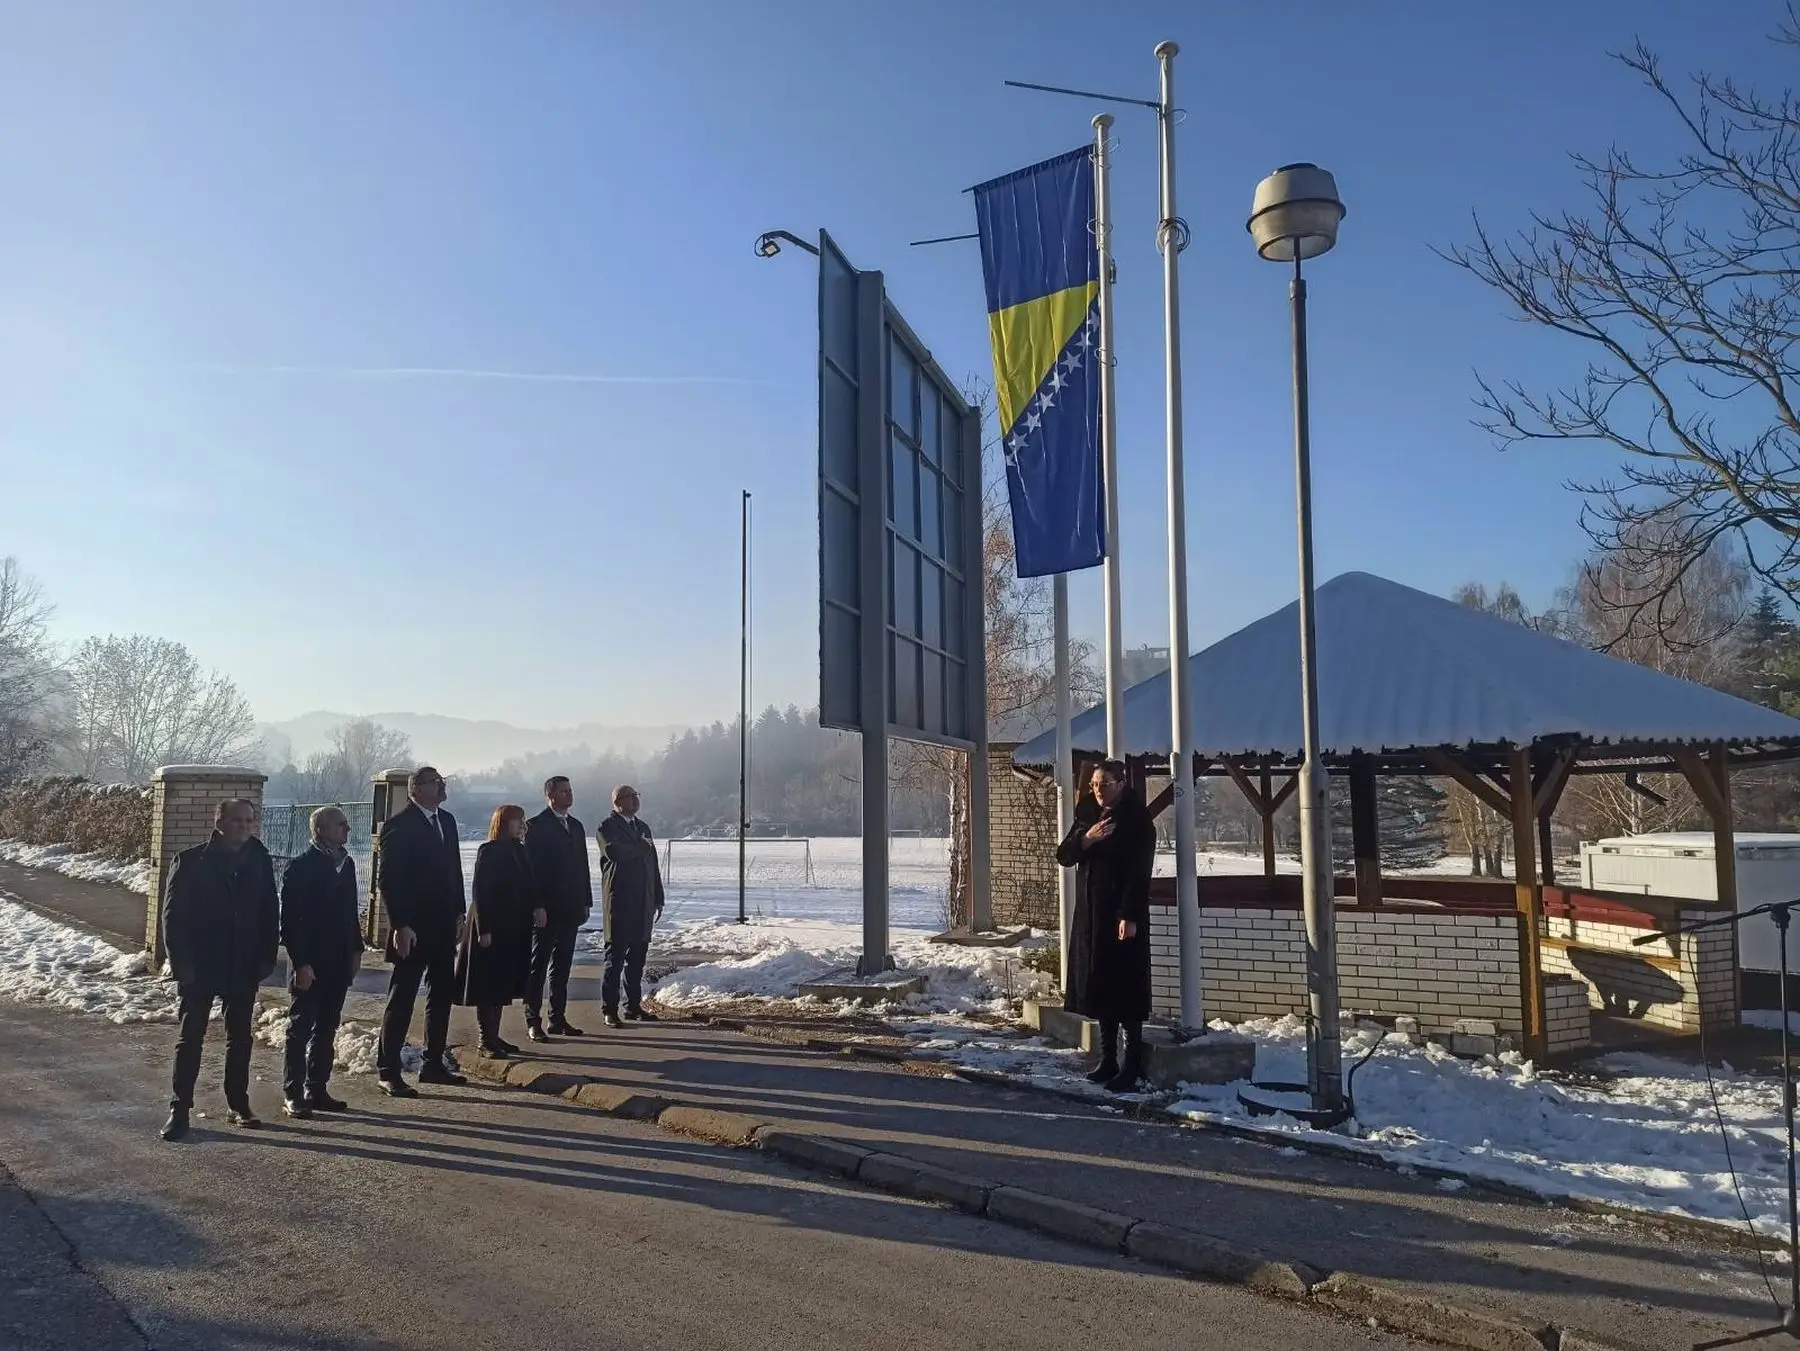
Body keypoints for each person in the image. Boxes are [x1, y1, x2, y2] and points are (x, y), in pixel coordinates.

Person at [161, 798, 280, 1140]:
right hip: (200, 965)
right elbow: (173, 919)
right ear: (220, 822)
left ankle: (238, 1104)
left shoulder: (259, 859)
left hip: (242, 965)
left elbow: (269, 911)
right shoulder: (191, 861)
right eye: (237, 820)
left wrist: (265, 959)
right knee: (190, 1038)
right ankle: (179, 1108)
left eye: (248, 820)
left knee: (240, 1038)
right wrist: (181, 964)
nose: (243, 826)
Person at [1055, 759, 1156, 1093]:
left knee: (1126, 990)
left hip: (1121, 917)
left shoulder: (1137, 821)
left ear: (1121, 784)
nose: (1098, 791)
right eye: (1095, 784)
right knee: (1100, 988)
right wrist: (1087, 839)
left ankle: (1133, 1064)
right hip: (1091, 916)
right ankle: (1108, 1059)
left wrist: (1130, 915)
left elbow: (1139, 873)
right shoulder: (1087, 814)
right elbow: (1064, 855)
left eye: (1105, 784)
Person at [375, 766, 468, 1097]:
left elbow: (454, 870)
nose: (442, 787)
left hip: (444, 926)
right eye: (434, 783)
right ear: (416, 789)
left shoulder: (447, 821)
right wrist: (400, 923)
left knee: (441, 995)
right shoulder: (400, 825)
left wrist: (460, 912)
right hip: (413, 928)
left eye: (442, 782)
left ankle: (433, 1063)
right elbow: (389, 879)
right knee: (402, 998)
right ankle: (388, 1069)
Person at [279, 805, 367, 1119]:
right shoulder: (301, 867)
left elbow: (350, 912)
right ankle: (293, 1091)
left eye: (346, 824)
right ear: (321, 830)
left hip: (339, 959)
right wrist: (301, 963)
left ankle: (317, 1088)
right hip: (311, 962)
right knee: (301, 1027)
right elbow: (290, 921)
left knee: (327, 1028)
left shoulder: (347, 863)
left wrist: (356, 950)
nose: (347, 829)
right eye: (340, 825)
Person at [456, 805, 537, 1058]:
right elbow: (481, 891)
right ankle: (485, 1039)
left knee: (502, 982)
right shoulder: (489, 851)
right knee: (487, 984)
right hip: (490, 924)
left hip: (514, 925)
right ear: (503, 823)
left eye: (523, 821)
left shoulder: (520, 851)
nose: (521, 825)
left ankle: (495, 1035)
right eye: (517, 821)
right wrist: (484, 928)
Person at [523, 775, 593, 1041]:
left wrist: (586, 900)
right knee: (538, 965)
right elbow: (531, 872)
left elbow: (582, 867)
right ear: (550, 796)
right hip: (546, 909)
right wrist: (537, 905)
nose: (569, 795)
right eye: (563, 792)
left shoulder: (575, 826)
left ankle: (557, 1018)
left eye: (570, 791)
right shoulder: (536, 826)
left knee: (562, 966)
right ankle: (533, 1019)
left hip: (571, 907)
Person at [597, 784, 663, 1029]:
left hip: (643, 902)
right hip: (620, 902)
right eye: (630, 797)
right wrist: (641, 847)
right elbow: (615, 853)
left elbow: (652, 864)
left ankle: (633, 1006)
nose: (635, 800)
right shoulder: (607, 827)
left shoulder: (643, 827)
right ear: (617, 801)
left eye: (637, 796)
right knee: (615, 959)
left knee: (637, 959)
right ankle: (609, 1009)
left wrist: (658, 897)